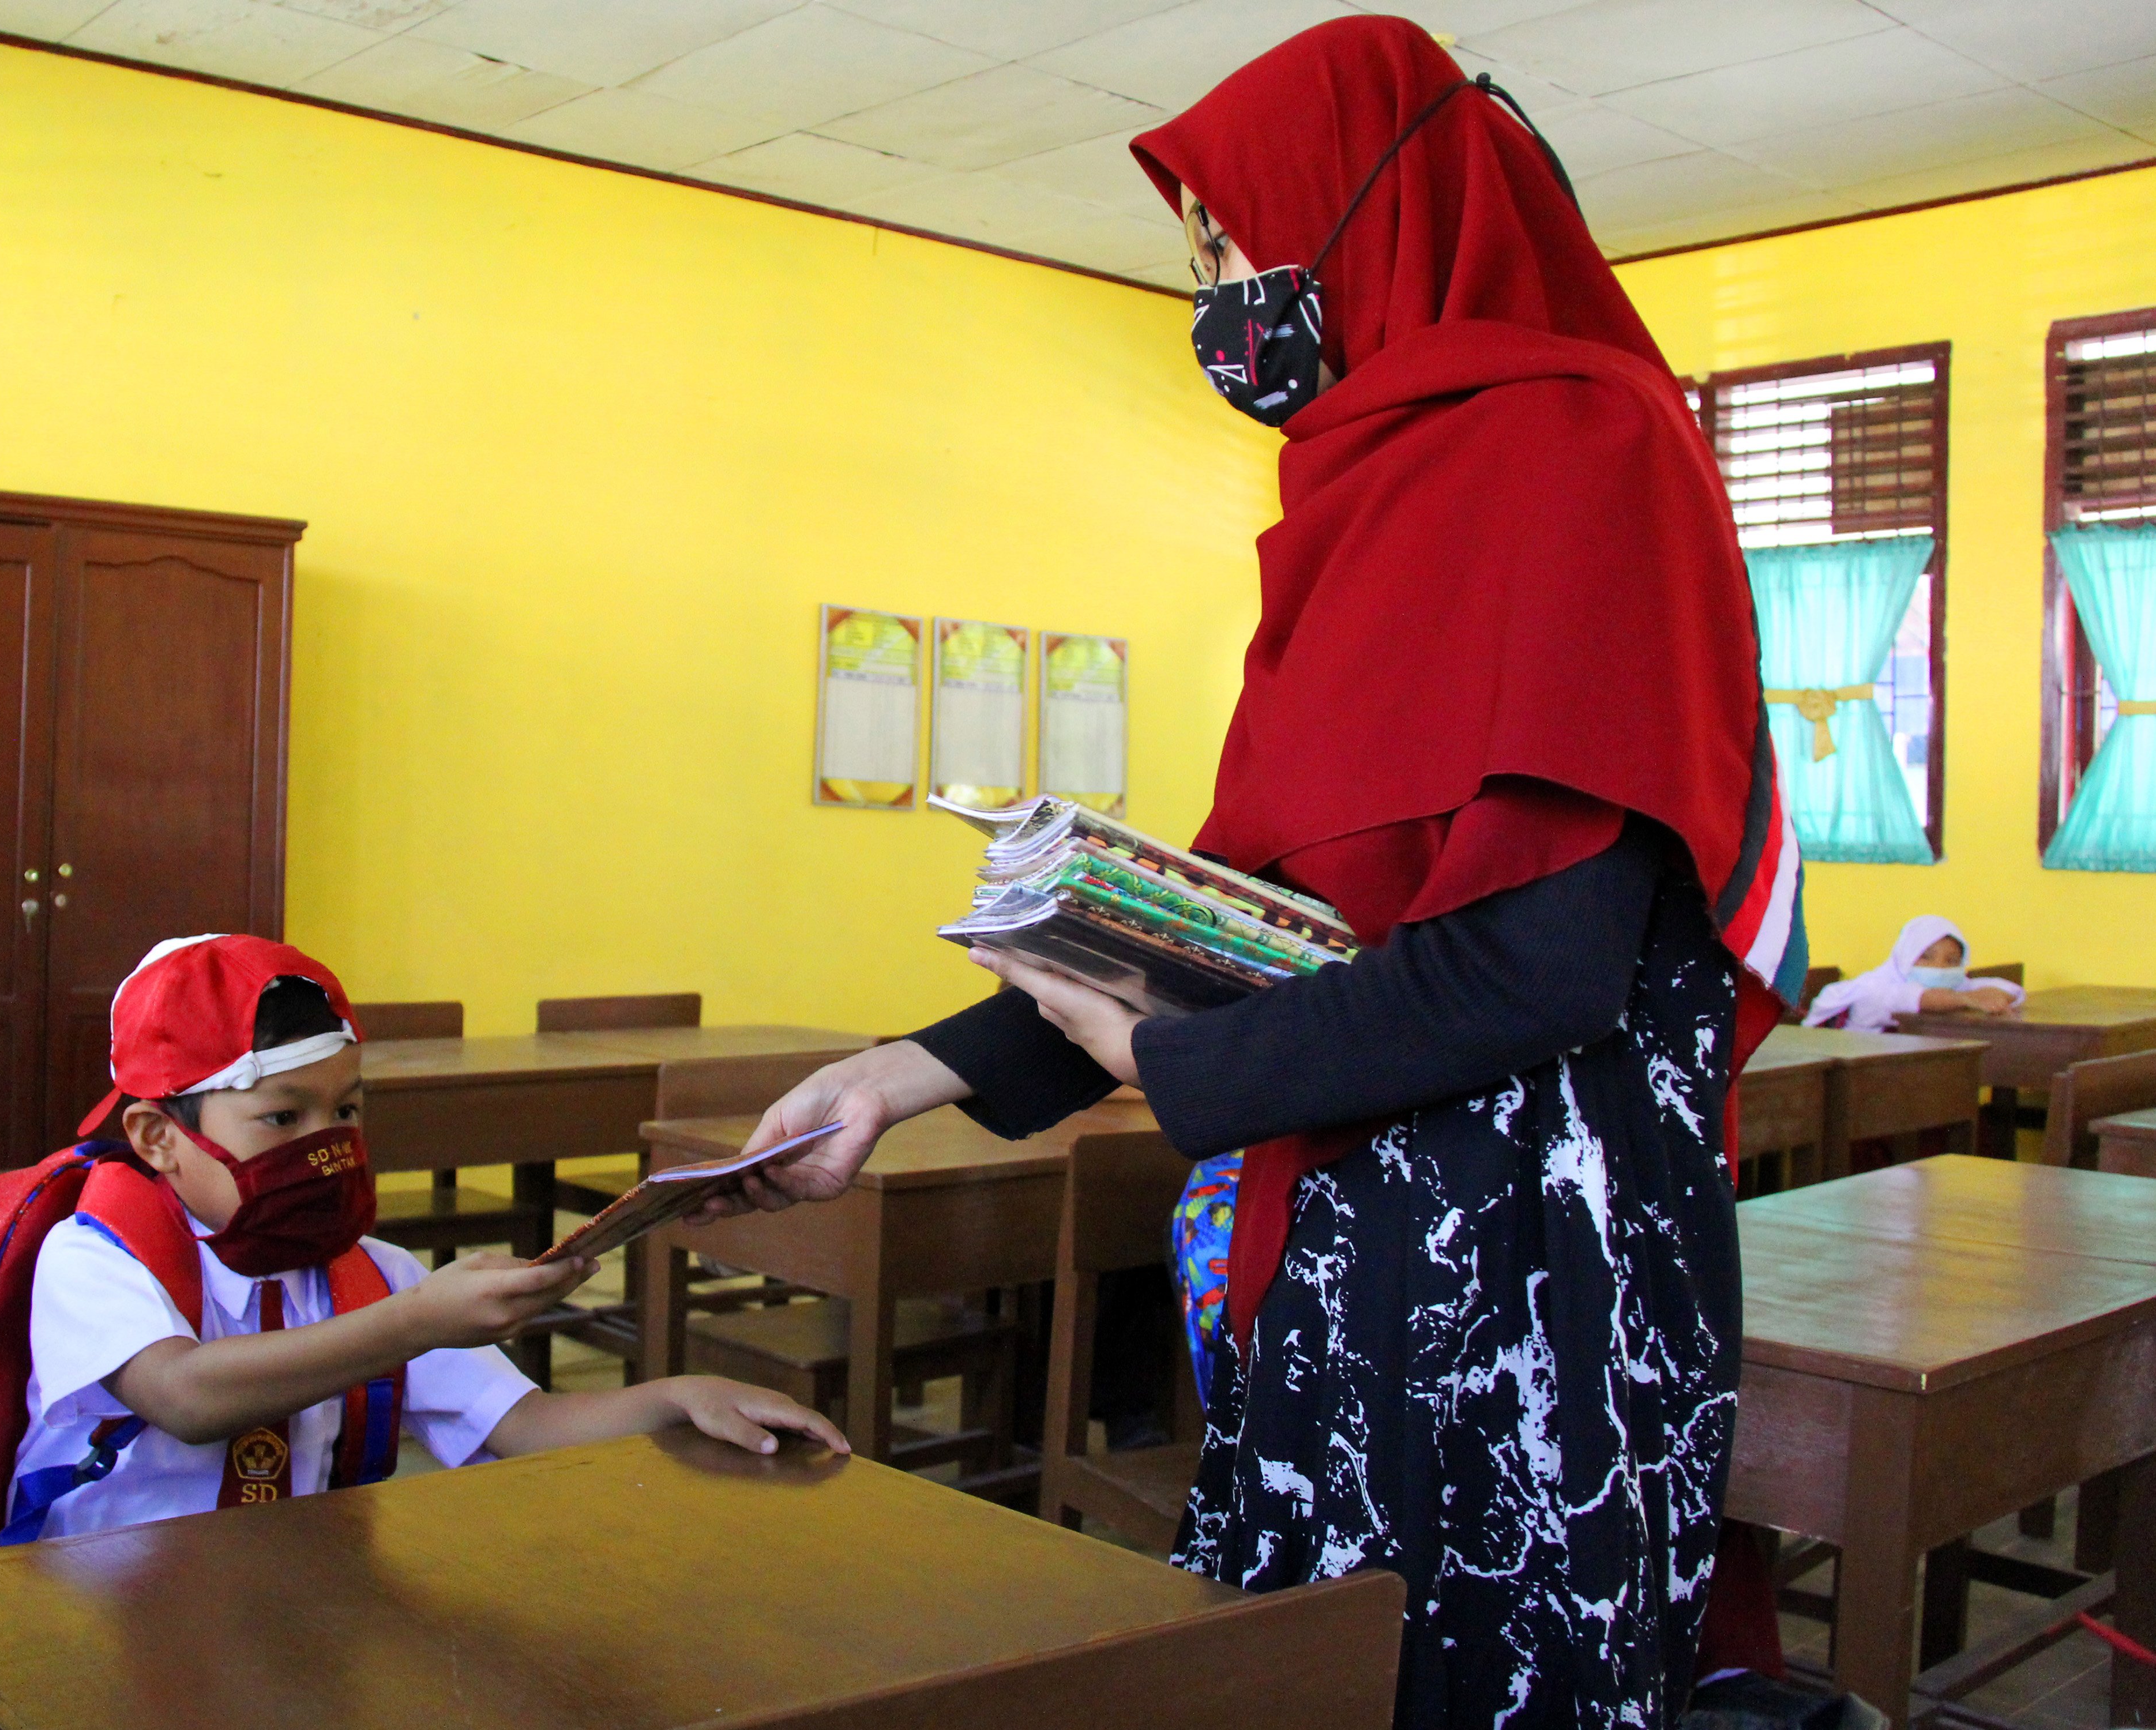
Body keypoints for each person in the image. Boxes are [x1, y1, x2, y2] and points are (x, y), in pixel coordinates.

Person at [700, 18, 1807, 1728]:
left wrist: (1176, 1066)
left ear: (1375, 217)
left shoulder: (1582, 457)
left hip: (1528, 1281)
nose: (1215, 289)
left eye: (1232, 238)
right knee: (1309, 1670)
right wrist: (898, 1077)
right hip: (1356, 1244)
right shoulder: (1378, 498)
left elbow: (1544, 962)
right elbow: (1229, 929)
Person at [10, 933, 843, 1540]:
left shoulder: (371, 1274)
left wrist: (672, 1399)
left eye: (345, 1110)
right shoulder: (94, 1258)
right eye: (282, 1117)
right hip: (108, 1609)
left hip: (294, 1602)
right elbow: (185, 1398)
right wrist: (415, 1324)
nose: (324, 1142)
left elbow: (525, 1428)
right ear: (158, 1138)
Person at [1803, 915, 2022, 1032]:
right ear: (1905, 956)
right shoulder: (1873, 989)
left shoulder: (1955, 986)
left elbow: (2010, 989)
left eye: (1952, 961)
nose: (1940, 968)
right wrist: (1967, 999)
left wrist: (1994, 996)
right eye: (1926, 957)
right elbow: (1917, 999)